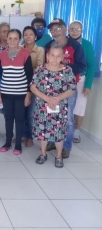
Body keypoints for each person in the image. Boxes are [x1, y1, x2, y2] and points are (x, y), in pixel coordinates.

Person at [45, 18, 86, 159]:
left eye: (57, 29)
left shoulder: (75, 46)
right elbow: (46, 65)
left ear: (64, 29)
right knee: (52, 116)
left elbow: (82, 65)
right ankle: (51, 141)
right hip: (52, 88)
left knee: (68, 119)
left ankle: (66, 146)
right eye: (52, 30)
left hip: (69, 89)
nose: (55, 32)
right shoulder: (49, 45)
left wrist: (63, 66)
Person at [31, 46, 76, 168]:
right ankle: (43, 154)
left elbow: (72, 88)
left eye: (58, 56)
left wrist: (57, 99)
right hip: (42, 107)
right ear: (48, 56)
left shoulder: (67, 70)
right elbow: (33, 87)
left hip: (59, 106)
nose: (55, 58)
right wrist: (47, 99)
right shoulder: (40, 70)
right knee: (43, 131)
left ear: (62, 57)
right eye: (52, 55)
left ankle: (59, 156)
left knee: (58, 132)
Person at [0, 29, 33, 155]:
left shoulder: (25, 53)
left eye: (15, 38)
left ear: (19, 40)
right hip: (6, 93)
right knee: (8, 118)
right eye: (10, 38)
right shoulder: (1, 55)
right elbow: (0, 76)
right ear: (6, 39)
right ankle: (8, 142)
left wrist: (28, 94)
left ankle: (18, 145)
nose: (12, 41)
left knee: (19, 119)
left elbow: (30, 76)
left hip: (20, 93)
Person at [68, 21, 95, 143]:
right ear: (68, 30)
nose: (74, 31)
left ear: (82, 31)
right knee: (65, 108)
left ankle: (76, 132)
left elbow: (91, 66)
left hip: (81, 80)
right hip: (65, 80)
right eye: (72, 29)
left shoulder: (87, 45)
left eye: (77, 29)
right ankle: (64, 130)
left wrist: (88, 85)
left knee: (79, 107)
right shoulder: (64, 43)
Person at [20, 26, 45, 147]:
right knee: (20, 112)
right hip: (19, 85)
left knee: (30, 113)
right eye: (25, 34)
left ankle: (30, 136)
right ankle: (22, 135)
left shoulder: (40, 50)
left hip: (34, 85)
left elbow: (39, 68)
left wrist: (26, 73)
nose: (28, 37)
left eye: (31, 34)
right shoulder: (19, 49)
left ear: (35, 37)